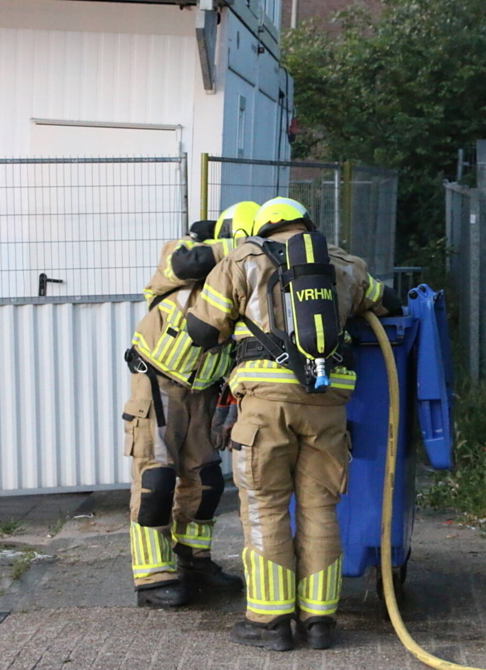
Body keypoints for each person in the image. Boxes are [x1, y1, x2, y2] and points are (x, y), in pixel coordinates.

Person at [185, 197, 401, 650]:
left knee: (265, 507)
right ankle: (320, 622)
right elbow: (390, 304)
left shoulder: (243, 258)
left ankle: (270, 623)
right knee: (320, 509)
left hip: (265, 405)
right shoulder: (344, 264)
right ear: (308, 225)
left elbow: (202, 332)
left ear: (264, 228)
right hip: (328, 405)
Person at [123, 201, 259, 607]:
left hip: (202, 389)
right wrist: (235, 248)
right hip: (157, 383)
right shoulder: (182, 253)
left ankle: (193, 560)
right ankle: (152, 575)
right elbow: (186, 263)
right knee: (156, 481)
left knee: (207, 482)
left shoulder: (242, 277)